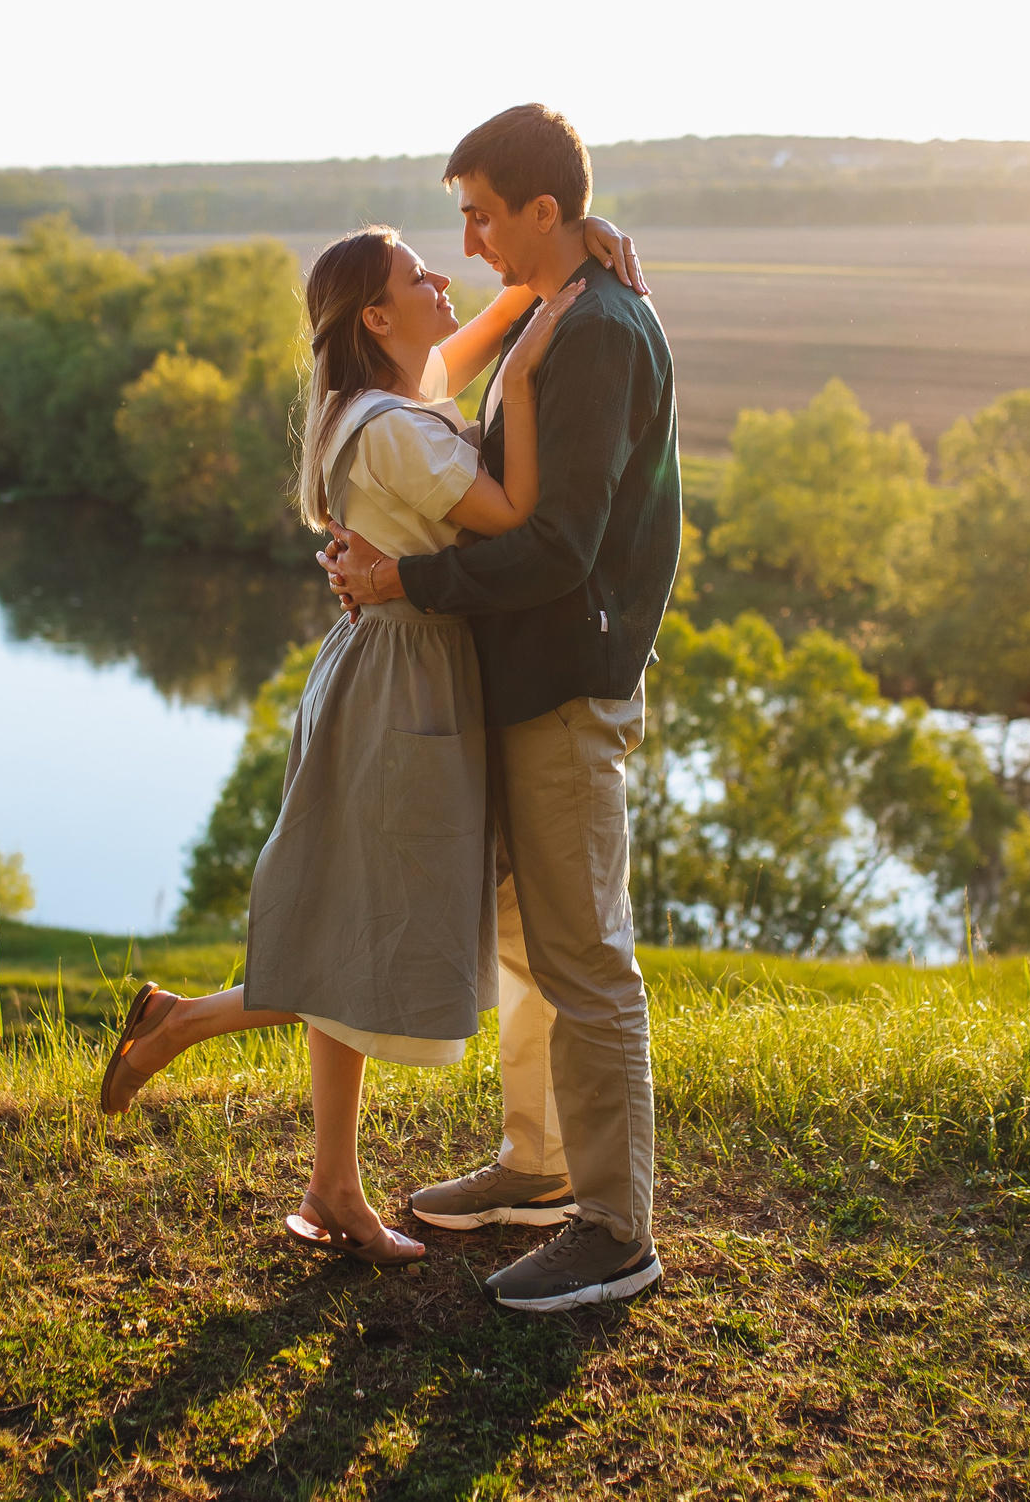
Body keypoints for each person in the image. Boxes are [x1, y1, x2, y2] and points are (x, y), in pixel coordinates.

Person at [94, 213, 646, 1267]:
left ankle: (331, 1184)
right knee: (369, 923)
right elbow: (522, 509)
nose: (443, 274)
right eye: (415, 271)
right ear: (376, 315)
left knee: (360, 912)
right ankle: (177, 1026)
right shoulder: (393, 428)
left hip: (402, 669)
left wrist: (566, 256)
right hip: (405, 684)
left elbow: (466, 338)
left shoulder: (384, 397)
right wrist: (528, 373)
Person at [322, 103, 680, 1314]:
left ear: (541, 210)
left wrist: (402, 576)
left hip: (564, 684)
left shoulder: (593, 336)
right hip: (514, 679)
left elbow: (559, 549)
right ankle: (536, 1168)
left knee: (585, 956)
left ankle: (615, 1226)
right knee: (532, 940)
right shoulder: (560, 309)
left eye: (479, 213)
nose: (465, 237)